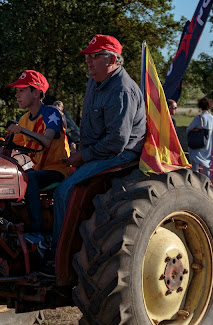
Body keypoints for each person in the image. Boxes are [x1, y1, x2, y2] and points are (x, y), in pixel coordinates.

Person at [48, 34, 146, 273]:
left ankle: (57, 259)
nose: (88, 62)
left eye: (95, 56)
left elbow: (117, 141)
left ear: (112, 59)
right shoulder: (95, 81)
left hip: (121, 156)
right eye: (87, 57)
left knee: (64, 192)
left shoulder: (122, 90)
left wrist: (83, 156)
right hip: (97, 151)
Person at [6, 70, 70, 246]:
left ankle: (38, 234)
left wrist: (22, 130)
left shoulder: (52, 114)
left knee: (30, 178)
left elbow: (47, 141)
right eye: (16, 91)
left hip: (58, 170)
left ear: (36, 93)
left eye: (21, 90)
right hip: (37, 170)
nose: (16, 95)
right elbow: (11, 148)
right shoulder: (24, 119)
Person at [186, 97, 213, 180]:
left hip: (197, 144)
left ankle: (196, 183)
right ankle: (208, 183)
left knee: (195, 166)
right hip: (207, 144)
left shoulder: (199, 118)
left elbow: (189, 129)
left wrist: (195, 129)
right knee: (206, 167)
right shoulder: (212, 118)